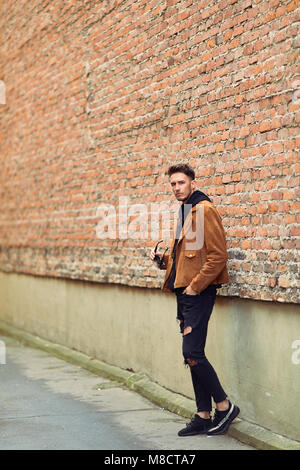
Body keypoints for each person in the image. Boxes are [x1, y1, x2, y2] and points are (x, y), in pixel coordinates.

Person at [150, 163, 239, 436]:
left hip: (197, 294)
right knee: (192, 356)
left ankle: (224, 407)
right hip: (185, 293)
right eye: (173, 184)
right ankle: (202, 415)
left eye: (181, 182)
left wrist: (194, 287)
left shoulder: (205, 210)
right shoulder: (186, 210)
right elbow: (189, 257)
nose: (176, 188)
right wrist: (164, 261)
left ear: (192, 182)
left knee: (192, 352)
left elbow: (217, 257)